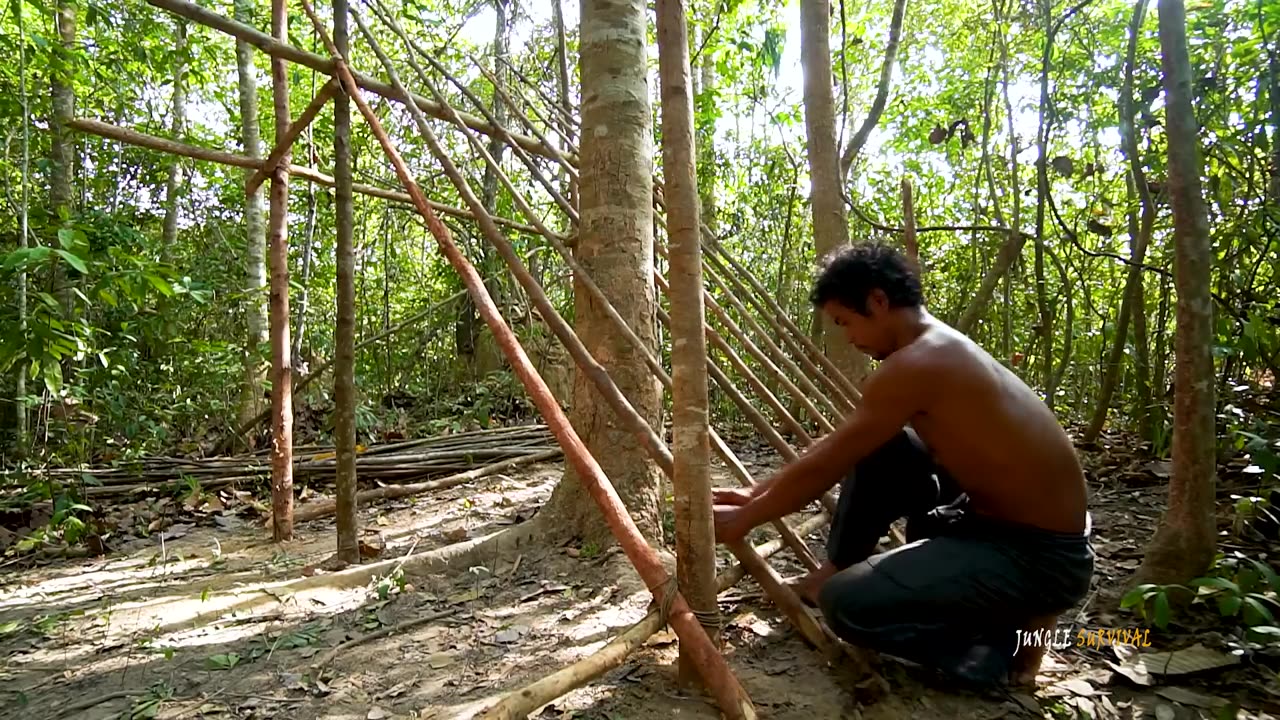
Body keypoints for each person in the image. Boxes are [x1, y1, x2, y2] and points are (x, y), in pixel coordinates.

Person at [712, 243, 1094, 688]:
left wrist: (745, 520)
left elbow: (827, 467)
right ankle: (852, 570)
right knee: (885, 447)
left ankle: (995, 654)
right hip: (997, 527)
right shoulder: (938, 347)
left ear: (877, 301)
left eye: (845, 322)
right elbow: (842, 446)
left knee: (847, 604)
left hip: (1039, 558)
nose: (850, 338)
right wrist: (756, 493)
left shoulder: (918, 363)